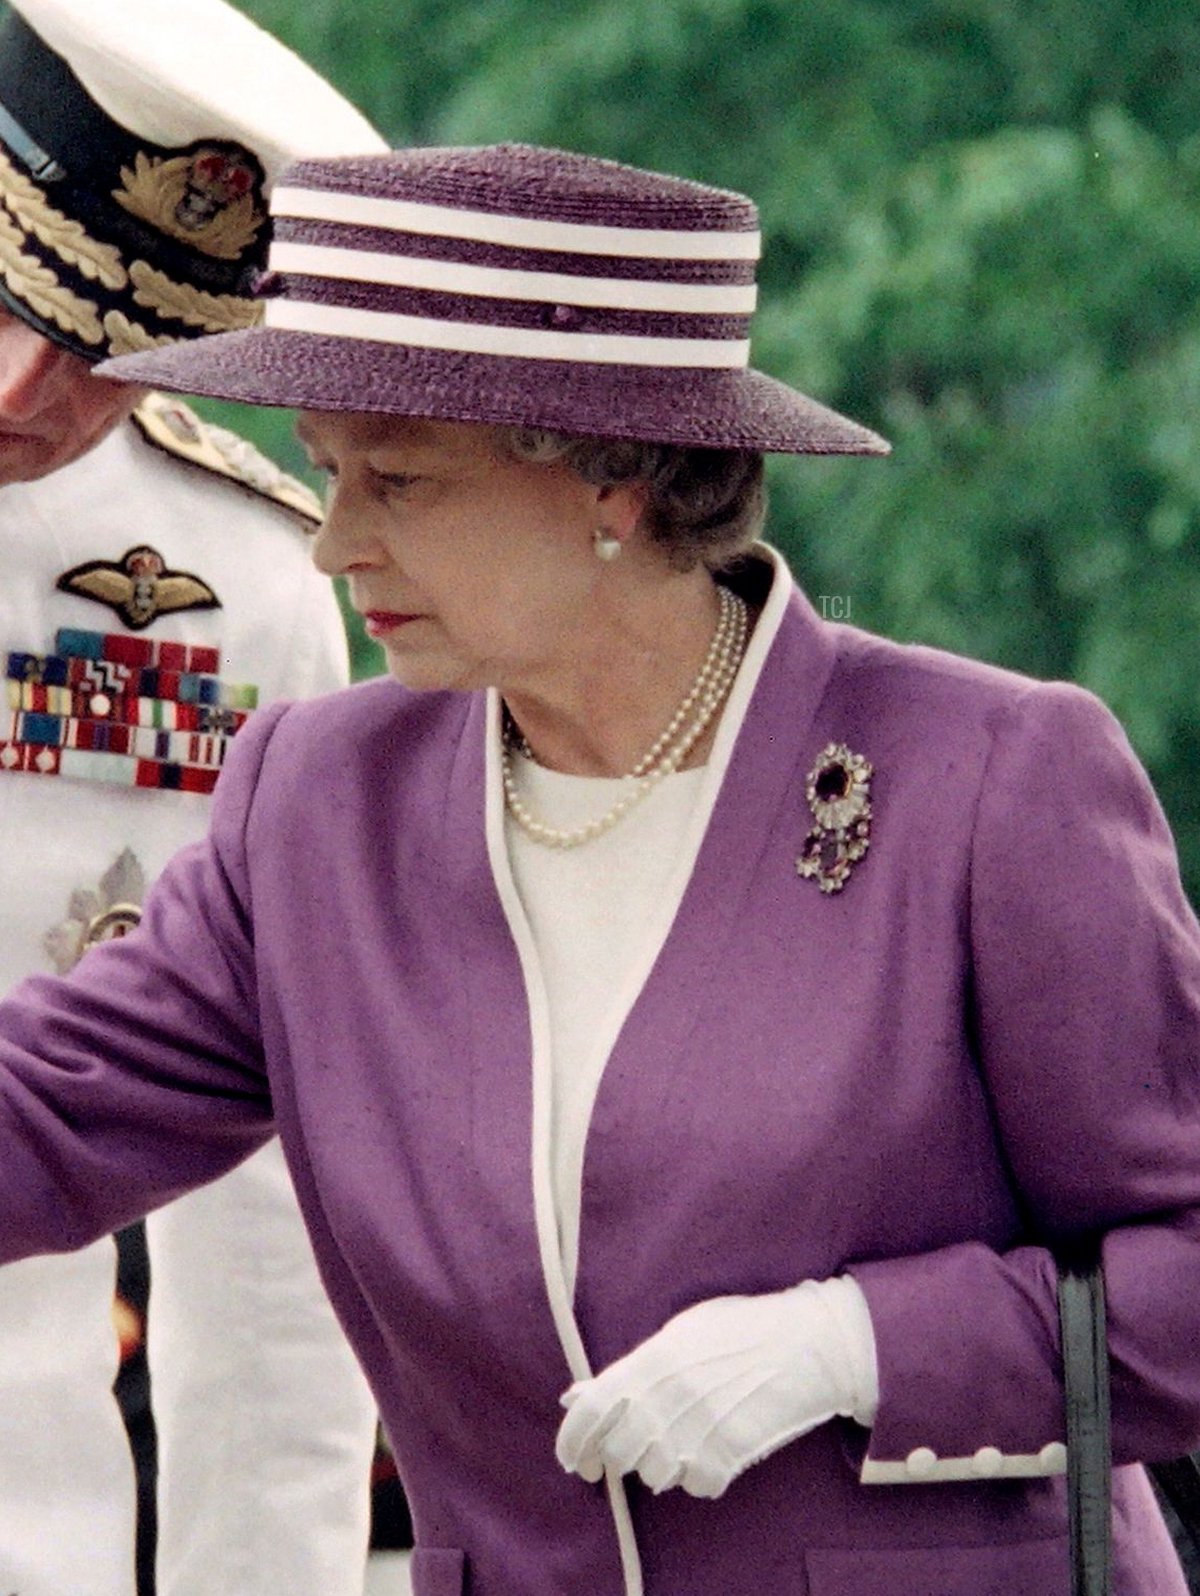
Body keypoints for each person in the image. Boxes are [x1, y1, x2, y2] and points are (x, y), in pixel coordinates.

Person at [0, 139, 1196, 1596]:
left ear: (614, 483)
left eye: (401, 482)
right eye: (328, 474)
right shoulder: (316, 806)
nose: (332, 544)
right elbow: (42, 1117)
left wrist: (860, 1347)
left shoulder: (993, 781)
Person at [0, 2, 389, 1593]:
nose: (32, 384)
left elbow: (271, 1198)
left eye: (111, 348)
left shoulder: (238, 586)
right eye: (7, 293)